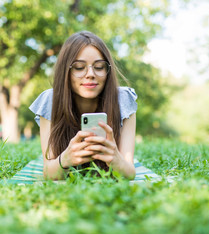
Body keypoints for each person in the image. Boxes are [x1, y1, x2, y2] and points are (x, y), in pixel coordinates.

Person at [29, 31, 137, 180]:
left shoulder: (123, 100)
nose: (90, 74)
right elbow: (49, 173)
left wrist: (116, 159)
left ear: (108, 71)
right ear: (65, 72)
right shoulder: (50, 101)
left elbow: (129, 173)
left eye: (99, 67)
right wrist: (65, 159)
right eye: (79, 67)